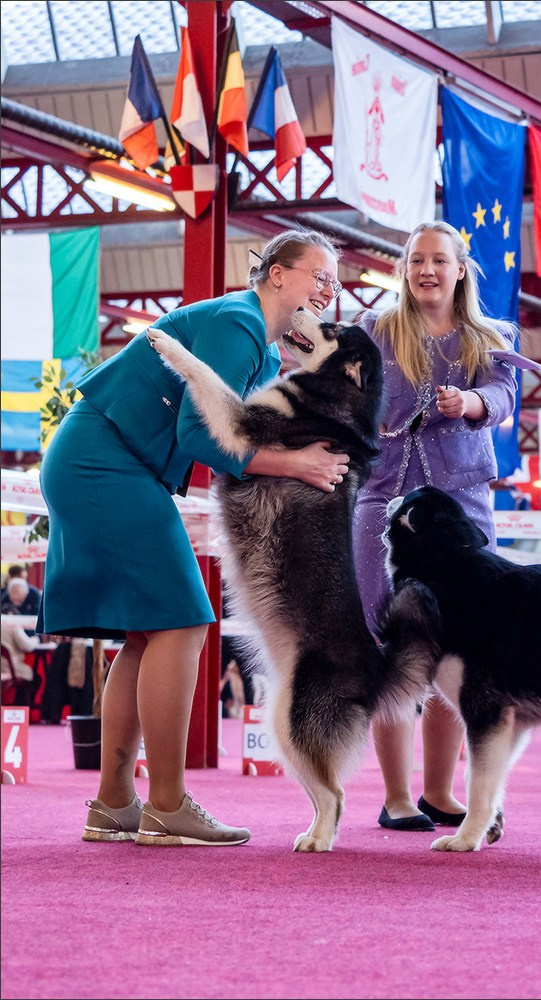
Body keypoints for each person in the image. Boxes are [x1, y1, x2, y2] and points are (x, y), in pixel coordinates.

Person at [37, 228, 349, 847]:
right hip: (107, 462)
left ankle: (115, 804)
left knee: (148, 633)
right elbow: (201, 436)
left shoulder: (260, 346)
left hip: (103, 461)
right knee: (183, 622)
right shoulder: (238, 323)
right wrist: (299, 464)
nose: (328, 289)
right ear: (278, 274)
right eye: (319, 274)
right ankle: (168, 804)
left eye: (334, 282)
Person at [353, 220, 534, 831]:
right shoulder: (373, 333)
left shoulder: (493, 336)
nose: (426, 270)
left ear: (461, 270)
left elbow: (504, 398)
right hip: (382, 507)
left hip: (461, 510)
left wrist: (473, 403)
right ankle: (396, 797)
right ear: (404, 270)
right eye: (415, 260)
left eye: (438, 260)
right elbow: (340, 393)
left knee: (458, 647)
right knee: (393, 643)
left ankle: (440, 791)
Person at [1, 579, 42, 706]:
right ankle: (22, 709)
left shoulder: (34, 597)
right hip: (12, 667)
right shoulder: (13, 623)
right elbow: (27, 646)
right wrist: (36, 639)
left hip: (4, 666)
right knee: (35, 679)